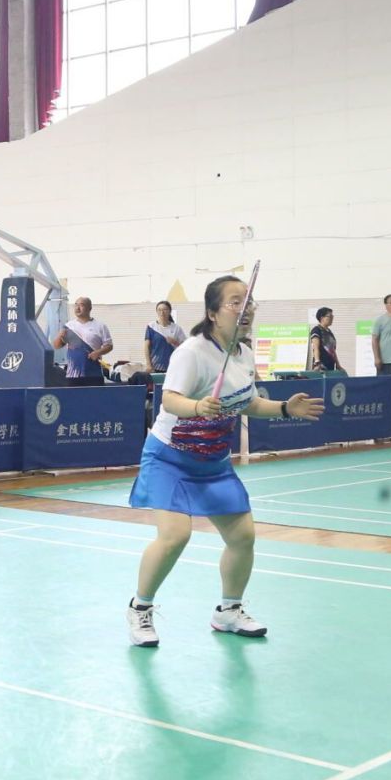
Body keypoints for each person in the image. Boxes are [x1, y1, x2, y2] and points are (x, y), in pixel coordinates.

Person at [125, 274, 324, 647]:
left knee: (242, 536)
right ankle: (140, 608)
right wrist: (197, 406)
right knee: (174, 535)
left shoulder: (243, 354)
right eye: (235, 301)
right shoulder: (192, 352)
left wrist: (284, 408)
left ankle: (229, 611)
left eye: (248, 302)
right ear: (213, 313)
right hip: (170, 458)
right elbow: (170, 399)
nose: (245, 308)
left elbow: (248, 402)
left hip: (213, 462)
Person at [53, 296, 113, 387]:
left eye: (81, 305)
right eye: (76, 305)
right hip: (73, 375)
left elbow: (109, 346)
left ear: (89, 308)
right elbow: (57, 346)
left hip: (94, 374)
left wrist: (98, 352)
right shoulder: (69, 326)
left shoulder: (100, 326)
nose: (77, 308)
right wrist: (59, 336)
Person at [142, 301, 184, 376]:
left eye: (165, 309)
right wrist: (148, 364)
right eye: (159, 310)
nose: (162, 312)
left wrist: (175, 342)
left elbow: (185, 346)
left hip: (172, 365)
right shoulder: (151, 326)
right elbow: (146, 347)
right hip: (155, 366)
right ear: (156, 312)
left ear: (170, 311)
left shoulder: (177, 328)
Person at [307, 307, 342, 374]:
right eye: (330, 316)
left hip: (331, 366)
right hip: (321, 367)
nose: (332, 318)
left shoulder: (329, 332)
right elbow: (316, 348)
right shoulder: (316, 330)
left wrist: (338, 364)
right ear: (322, 318)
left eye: (332, 316)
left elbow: (333, 351)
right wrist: (317, 363)